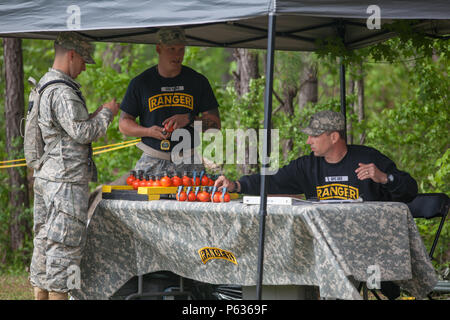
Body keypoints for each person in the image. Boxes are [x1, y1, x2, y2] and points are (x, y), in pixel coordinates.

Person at [30, 32, 120, 300]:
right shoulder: (63, 91)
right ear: (72, 54)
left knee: (45, 243)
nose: (83, 67)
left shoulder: (44, 86)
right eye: (83, 61)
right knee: (65, 248)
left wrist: (89, 116)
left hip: (47, 176)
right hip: (66, 183)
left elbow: (62, 130)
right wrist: (107, 112)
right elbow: (82, 132)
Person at [215, 110, 418, 203]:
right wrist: (236, 186)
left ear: (334, 137)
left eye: (314, 136)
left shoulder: (368, 157)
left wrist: (384, 178)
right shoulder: (307, 166)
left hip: (366, 245)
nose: (308, 141)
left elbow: (410, 191)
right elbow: (273, 180)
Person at [119, 27, 221, 177]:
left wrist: (189, 119)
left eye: (181, 49)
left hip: (189, 159)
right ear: (158, 48)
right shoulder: (141, 83)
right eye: (171, 49)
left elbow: (215, 126)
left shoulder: (198, 81)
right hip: (152, 158)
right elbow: (123, 125)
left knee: (194, 200)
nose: (177, 55)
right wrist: (148, 131)